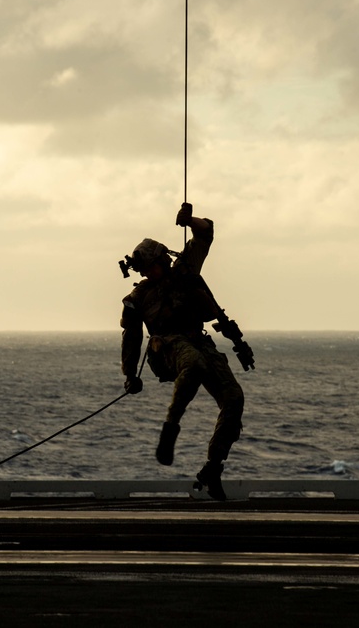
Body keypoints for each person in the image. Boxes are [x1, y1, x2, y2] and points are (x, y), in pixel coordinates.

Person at [119, 203, 245, 500]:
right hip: (167, 348)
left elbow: (206, 234)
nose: (151, 271)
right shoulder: (138, 298)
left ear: (164, 258)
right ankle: (170, 428)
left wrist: (190, 221)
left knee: (234, 399)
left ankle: (213, 467)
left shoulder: (184, 273)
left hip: (197, 341)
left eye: (155, 264)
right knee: (195, 365)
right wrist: (129, 375)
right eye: (146, 268)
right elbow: (131, 338)